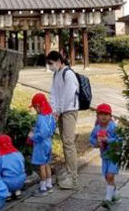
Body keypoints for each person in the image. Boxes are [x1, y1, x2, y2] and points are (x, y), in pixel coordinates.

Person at [46, 50, 79, 189]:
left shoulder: (68, 74)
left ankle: (73, 177)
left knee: (68, 142)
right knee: (65, 142)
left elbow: (68, 95)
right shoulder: (56, 74)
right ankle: (69, 171)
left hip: (69, 110)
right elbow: (54, 93)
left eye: (51, 64)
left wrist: (58, 110)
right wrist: (54, 109)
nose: (50, 66)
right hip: (60, 111)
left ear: (59, 62)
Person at [90, 103, 121, 208]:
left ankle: (107, 199)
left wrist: (107, 140)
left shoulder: (113, 127)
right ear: (97, 116)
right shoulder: (96, 128)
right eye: (101, 114)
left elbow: (119, 140)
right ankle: (115, 193)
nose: (103, 116)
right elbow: (92, 139)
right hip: (104, 157)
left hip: (114, 156)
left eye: (106, 114)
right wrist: (96, 143)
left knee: (110, 176)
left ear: (110, 116)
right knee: (108, 178)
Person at [28, 92, 56, 196]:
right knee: (47, 164)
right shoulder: (50, 115)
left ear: (38, 106)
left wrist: (33, 136)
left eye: (35, 107)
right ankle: (49, 184)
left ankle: (43, 187)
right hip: (49, 142)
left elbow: (42, 133)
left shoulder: (40, 118)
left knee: (42, 166)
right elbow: (51, 128)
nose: (35, 110)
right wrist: (36, 129)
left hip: (41, 144)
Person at [0, 134, 26, 199]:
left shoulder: (1, 158)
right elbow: (23, 163)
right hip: (21, 180)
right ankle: (17, 191)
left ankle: (8, 194)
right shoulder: (18, 153)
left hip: (8, 183)